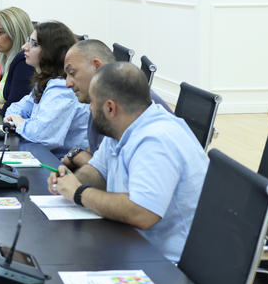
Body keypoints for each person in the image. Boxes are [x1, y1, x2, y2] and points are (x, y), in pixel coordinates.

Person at [48, 63, 208, 263]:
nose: (89, 107)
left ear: (110, 108)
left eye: (93, 102)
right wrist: (70, 180)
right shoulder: (121, 126)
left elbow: (142, 213)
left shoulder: (156, 140)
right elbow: (98, 170)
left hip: (169, 265)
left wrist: (79, 193)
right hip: (136, 245)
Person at [59, 39, 175, 172]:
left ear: (97, 66)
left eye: (72, 73)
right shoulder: (99, 100)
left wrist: (76, 156)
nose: (68, 84)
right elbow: (97, 156)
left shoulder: (130, 103)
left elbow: (112, 172)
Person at [2, 21, 90, 155]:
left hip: (64, 162)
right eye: (28, 41)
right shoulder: (46, 82)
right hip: (48, 155)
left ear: (51, 51)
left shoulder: (63, 88)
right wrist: (25, 122)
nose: (25, 47)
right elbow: (14, 110)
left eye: (34, 44)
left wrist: (21, 122)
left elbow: (41, 137)